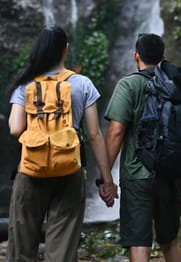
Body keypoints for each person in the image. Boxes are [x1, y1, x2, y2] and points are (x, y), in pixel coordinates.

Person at [6, 25, 118, 262]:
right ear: (65, 50)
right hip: (70, 169)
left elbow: (15, 128)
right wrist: (107, 181)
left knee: (22, 246)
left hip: (30, 170)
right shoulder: (82, 83)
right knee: (63, 248)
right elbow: (95, 135)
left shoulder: (25, 84)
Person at [100, 34, 181, 262]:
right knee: (169, 243)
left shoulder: (129, 84)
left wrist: (106, 179)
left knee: (139, 243)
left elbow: (116, 132)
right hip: (171, 175)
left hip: (137, 176)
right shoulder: (179, 86)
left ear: (136, 56)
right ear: (163, 58)